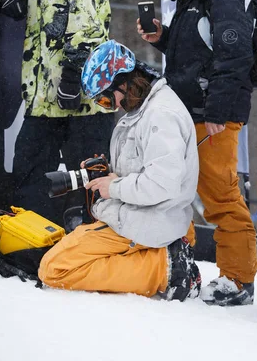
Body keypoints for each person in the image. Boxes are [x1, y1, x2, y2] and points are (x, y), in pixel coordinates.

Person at [38, 40, 201, 301]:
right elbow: (148, 165)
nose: (110, 106)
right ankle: (164, 255)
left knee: (54, 268)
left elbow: (162, 184)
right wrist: (107, 170)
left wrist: (112, 187)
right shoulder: (145, 108)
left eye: (105, 96)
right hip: (140, 213)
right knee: (60, 258)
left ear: (123, 81)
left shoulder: (160, 115)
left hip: (150, 218)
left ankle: (166, 270)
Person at [137, 0, 257, 306]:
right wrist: (163, 39)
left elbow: (234, 54)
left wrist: (219, 108)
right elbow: (198, 53)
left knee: (220, 197)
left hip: (212, 115)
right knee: (175, 192)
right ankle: (182, 268)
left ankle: (239, 280)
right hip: (187, 112)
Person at [0, 0, 114, 225]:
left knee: (93, 186)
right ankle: (32, 248)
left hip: (84, 104)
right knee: (29, 178)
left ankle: (95, 254)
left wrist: (72, 77)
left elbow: (89, 24)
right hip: (43, 102)